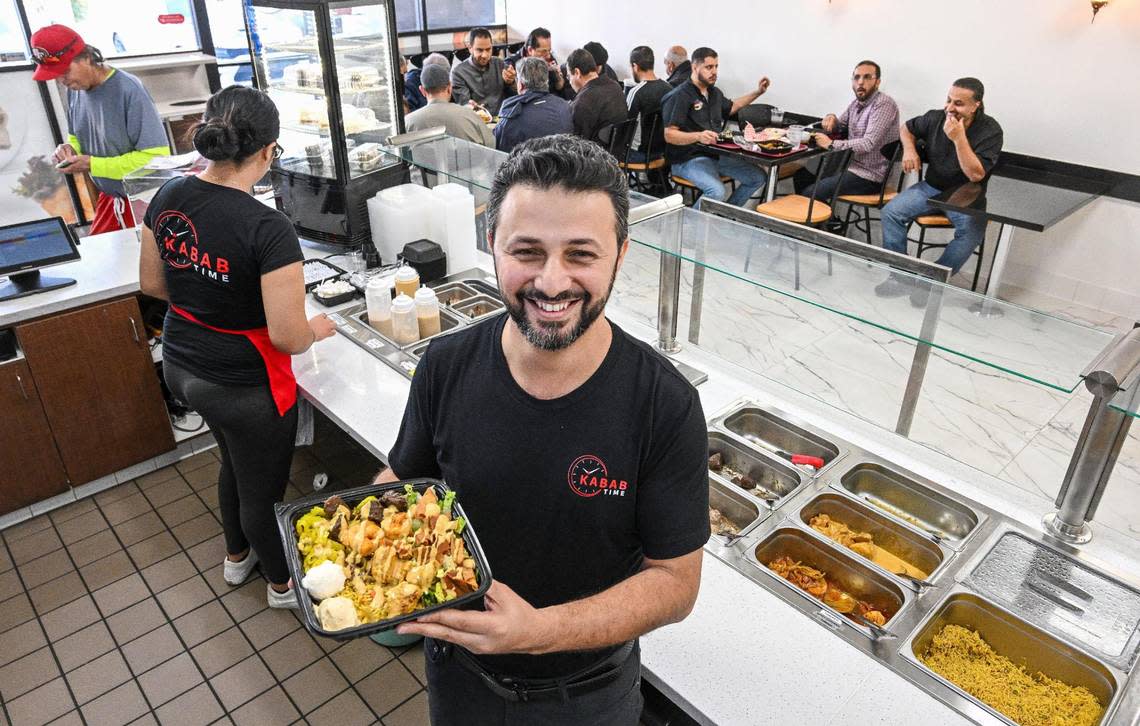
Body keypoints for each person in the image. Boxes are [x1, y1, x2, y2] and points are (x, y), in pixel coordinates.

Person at [379, 134, 708, 725]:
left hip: (587, 695)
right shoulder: (445, 366)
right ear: (493, 247)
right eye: (527, 251)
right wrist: (364, 548)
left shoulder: (665, 404)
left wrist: (537, 631)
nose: (553, 284)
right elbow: (405, 481)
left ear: (621, 254)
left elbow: (675, 583)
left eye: (581, 254)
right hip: (458, 674)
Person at [138, 86, 337, 608]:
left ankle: (236, 558)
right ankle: (281, 585)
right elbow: (287, 336)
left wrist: (210, 297)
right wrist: (317, 328)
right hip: (244, 383)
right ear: (269, 151)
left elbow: (154, 286)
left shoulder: (169, 196)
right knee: (264, 492)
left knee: (234, 462)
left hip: (182, 364)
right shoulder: (266, 228)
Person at [32, 24, 170, 234]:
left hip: (144, 201)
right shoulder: (76, 91)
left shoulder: (129, 90)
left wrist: (93, 164)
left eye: (65, 71)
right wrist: (70, 150)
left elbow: (154, 159)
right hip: (111, 198)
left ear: (86, 57)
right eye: (56, 75)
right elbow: (77, 135)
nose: (62, 80)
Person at [876, 78, 1003, 302]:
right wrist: (909, 150)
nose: (950, 108)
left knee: (971, 233)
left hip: (965, 194)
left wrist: (959, 138)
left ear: (977, 105)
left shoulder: (991, 130)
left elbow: (976, 174)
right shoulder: (936, 117)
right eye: (948, 100)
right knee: (891, 212)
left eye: (959, 103)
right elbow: (907, 128)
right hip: (932, 186)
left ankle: (929, 284)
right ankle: (901, 277)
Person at [662, 47, 771, 206]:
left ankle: (724, 216)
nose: (714, 72)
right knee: (716, 191)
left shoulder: (714, 93)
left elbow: (733, 106)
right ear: (694, 67)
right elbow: (669, 135)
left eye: (716, 67)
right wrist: (698, 136)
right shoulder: (679, 96)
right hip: (687, 159)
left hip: (715, 155)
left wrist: (758, 92)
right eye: (708, 67)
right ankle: (690, 225)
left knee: (758, 177)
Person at [796, 60, 899, 200]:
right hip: (849, 166)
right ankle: (827, 221)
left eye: (867, 77)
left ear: (878, 82)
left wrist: (831, 144)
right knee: (801, 177)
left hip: (870, 175)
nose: (860, 82)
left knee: (811, 192)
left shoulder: (884, 104)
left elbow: (868, 143)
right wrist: (831, 117)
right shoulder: (856, 104)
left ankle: (819, 220)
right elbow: (840, 125)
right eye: (856, 77)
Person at [495, 57, 573, 153]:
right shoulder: (565, 106)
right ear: (546, 82)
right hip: (565, 164)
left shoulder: (511, 117)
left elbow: (500, 154)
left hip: (528, 166)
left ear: (521, 85)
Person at [406, 64, 495, 147]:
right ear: (449, 88)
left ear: (422, 91)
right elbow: (491, 146)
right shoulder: (470, 115)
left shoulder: (408, 122)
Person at [567, 48, 627, 148]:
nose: (569, 82)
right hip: (616, 152)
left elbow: (576, 143)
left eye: (569, 76)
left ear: (577, 73)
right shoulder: (615, 86)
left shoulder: (583, 101)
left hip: (595, 158)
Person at [451, 27, 515, 115]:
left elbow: (516, 96)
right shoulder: (458, 73)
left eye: (488, 49)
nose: (485, 55)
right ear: (470, 48)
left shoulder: (500, 64)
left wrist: (512, 82)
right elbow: (464, 103)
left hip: (503, 118)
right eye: (479, 50)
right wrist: (469, 105)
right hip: (477, 120)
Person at [625, 46, 672, 162]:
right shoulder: (669, 88)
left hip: (638, 154)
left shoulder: (636, 92)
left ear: (635, 66)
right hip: (662, 152)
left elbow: (626, 126)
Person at [506, 27, 570, 99]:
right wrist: (511, 82)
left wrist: (558, 77)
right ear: (530, 50)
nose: (548, 55)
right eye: (543, 51)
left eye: (549, 50)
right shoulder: (511, 64)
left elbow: (559, 88)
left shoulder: (549, 58)